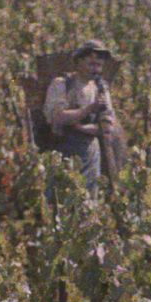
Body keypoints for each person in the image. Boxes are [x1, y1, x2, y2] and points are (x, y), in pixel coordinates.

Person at [42, 40, 119, 191]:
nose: (95, 69)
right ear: (78, 62)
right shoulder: (62, 84)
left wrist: (81, 127)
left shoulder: (100, 88)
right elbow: (57, 117)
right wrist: (88, 109)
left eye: (99, 65)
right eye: (91, 64)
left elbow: (107, 126)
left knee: (89, 195)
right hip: (62, 149)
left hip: (89, 151)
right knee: (60, 194)